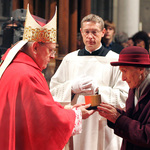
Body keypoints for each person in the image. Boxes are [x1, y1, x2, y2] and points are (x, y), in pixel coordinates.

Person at [0, 5, 95, 150]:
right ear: (35, 47)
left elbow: (41, 107)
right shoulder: (27, 75)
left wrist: (67, 109)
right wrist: (75, 115)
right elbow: (45, 120)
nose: (52, 56)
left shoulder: (17, 66)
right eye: (51, 50)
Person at [50, 14, 129, 150]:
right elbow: (53, 93)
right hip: (77, 123)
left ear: (103, 33)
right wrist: (71, 87)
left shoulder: (115, 60)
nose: (90, 37)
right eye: (86, 32)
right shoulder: (70, 59)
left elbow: (124, 97)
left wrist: (99, 90)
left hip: (103, 126)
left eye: (94, 32)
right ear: (81, 32)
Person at [98, 46, 150, 150]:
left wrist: (118, 119)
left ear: (141, 69)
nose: (123, 78)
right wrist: (111, 113)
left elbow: (147, 136)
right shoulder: (135, 86)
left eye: (125, 71)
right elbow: (133, 118)